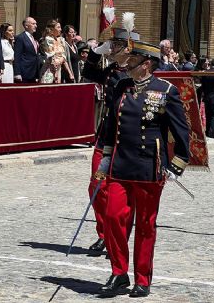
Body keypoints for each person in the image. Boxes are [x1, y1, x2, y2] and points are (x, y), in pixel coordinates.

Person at [97, 39, 190, 298]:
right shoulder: (122, 86)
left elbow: (182, 132)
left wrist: (177, 165)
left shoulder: (166, 90)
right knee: (114, 217)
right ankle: (118, 272)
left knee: (146, 225)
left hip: (150, 167)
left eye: (133, 60)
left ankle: (142, 277)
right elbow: (110, 124)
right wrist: (105, 157)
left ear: (146, 64)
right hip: (120, 165)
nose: (127, 64)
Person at [81, 25, 140, 255]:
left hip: (126, 140)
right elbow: (88, 71)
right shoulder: (111, 70)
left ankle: (117, 235)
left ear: (128, 48)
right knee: (96, 186)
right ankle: (105, 233)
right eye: (112, 44)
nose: (112, 48)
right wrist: (97, 51)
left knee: (122, 194)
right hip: (104, 138)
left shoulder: (138, 73)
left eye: (116, 45)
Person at [38, 20, 72, 84]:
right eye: (58, 27)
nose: (61, 29)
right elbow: (51, 55)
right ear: (52, 29)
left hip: (58, 68)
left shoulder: (61, 40)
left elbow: (63, 56)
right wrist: (55, 71)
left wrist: (69, 73)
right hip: (49, 69)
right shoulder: (48, 39)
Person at [13, 16, 39, 83]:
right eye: (33, 24)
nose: (36, 26)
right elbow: (17, 56)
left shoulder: (33, 38)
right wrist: (17, 73)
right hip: (24, 73)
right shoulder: (20, 38)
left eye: (35, 24)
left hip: (33, 73)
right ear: (26, 26)